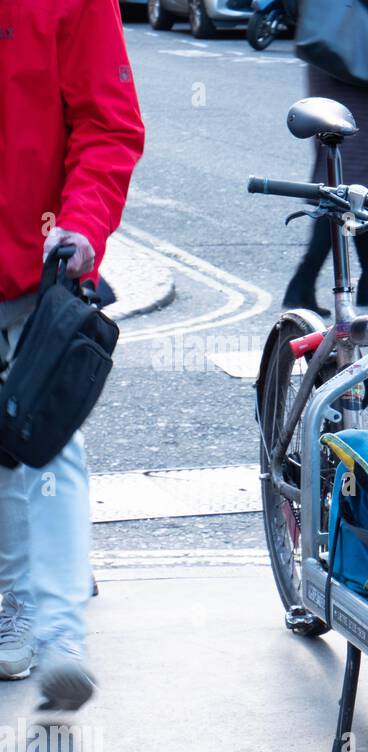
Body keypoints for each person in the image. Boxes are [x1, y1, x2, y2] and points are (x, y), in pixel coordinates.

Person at [0, 0, 145, 709]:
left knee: (46, 442)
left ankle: (59, 632)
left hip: (37, 267)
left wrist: (83, 226)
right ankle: (22, 601)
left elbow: (108, 122)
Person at [282, 0, 368, 315]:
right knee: (349, 184)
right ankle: (303, 283)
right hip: (361, 66)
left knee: (353, 179)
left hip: (327, 58)